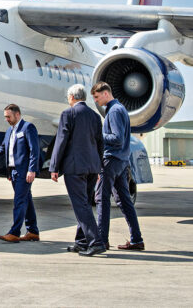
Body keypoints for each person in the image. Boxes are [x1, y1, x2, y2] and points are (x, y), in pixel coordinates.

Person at [49, 84, 106, 256]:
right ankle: (81, 241)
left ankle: (96, 242)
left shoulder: (68, 113)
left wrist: (54, 167)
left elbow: (61, 141)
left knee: (80, 205)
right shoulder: (95, 116)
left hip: (75, 167)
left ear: (72, 97)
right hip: (91, 167)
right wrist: (99, 166)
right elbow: (100, 142)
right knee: (86, 203)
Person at [91, 81, 145, 251]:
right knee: (124, 201)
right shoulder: (120, 109)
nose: (96, 101)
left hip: (112, 160)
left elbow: (117, 138)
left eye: (97, 97)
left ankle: (102, 239)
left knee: (101, 198)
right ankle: (136, 239)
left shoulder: (113, 111)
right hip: (121, 161)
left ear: (106, 93)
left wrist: (98, 135)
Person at [0, 104, 40, 242]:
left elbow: (35, 150)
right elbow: (2, 149)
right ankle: (33, 231)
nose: (7, 119)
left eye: (8, 117)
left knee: (19, 201)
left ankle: (14, 233)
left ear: (17, 115)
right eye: (5, 117)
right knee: (26, 199)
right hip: (14, 172)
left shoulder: (28, 128)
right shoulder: (9, 131)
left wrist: (32, 169)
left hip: (24, 171)